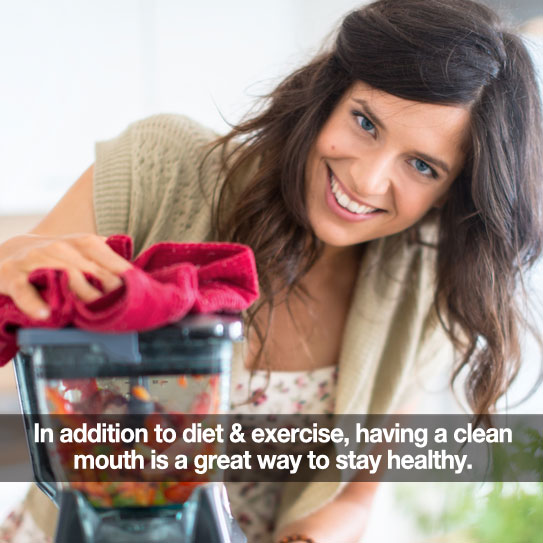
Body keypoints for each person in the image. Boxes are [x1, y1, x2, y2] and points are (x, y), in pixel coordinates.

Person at [1, 0, 542, 541]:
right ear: (329, 94)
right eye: (365, 122)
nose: (367, 179)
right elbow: (18, 283)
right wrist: (11, 263)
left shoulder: (424, 294)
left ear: (454, 191)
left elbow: (355, 492)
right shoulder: (161, 169)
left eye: (422, 166)